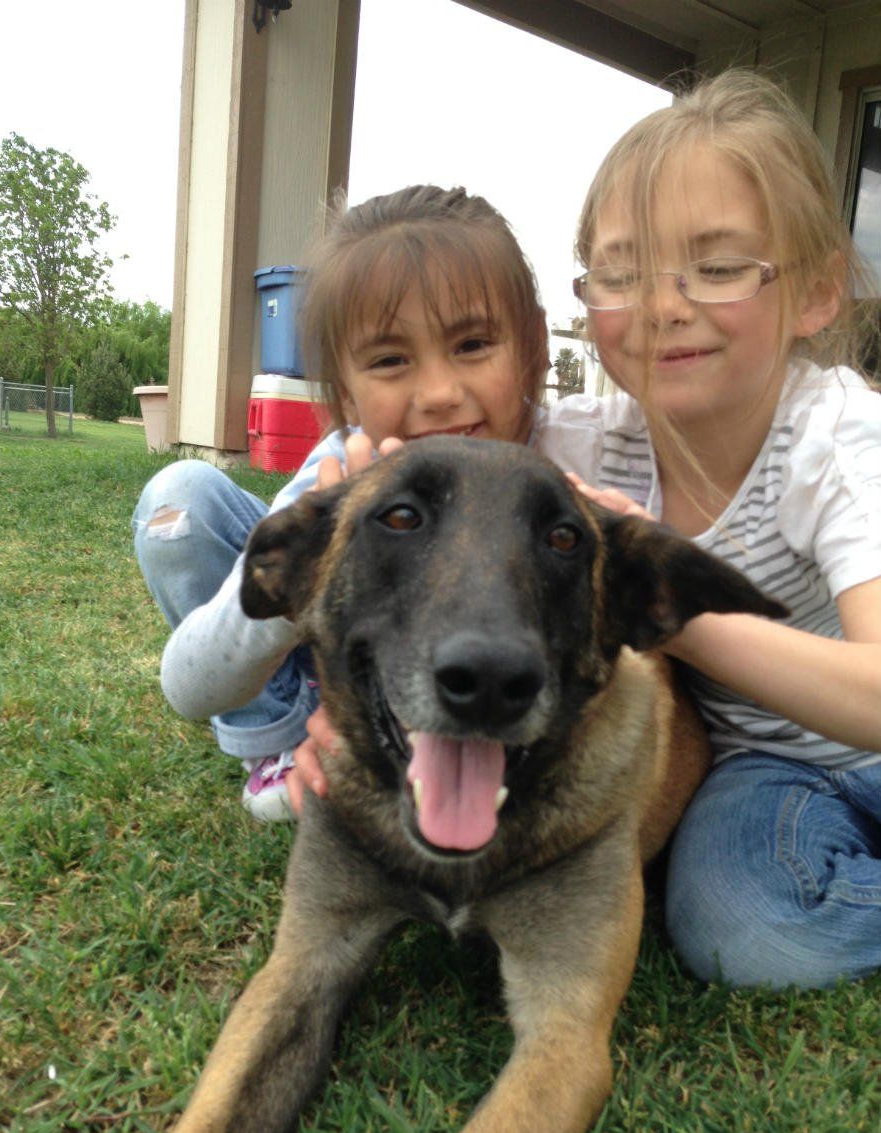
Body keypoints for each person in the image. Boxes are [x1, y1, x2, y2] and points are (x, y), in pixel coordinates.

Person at [295, 69, 881, 992]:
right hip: (762, 769)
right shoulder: (580, 446)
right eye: (622, 273)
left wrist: (674, 608)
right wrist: (341, 712)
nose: (663, 305)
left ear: (813, 294)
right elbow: (419, 499)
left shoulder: (838, 442)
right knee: (742, 933)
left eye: (718, 267)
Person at [132, 183, 548, 822]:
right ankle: (275, 738)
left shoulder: (568, 464)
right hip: (314, 650)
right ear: (346, 396)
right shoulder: (345, 474)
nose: (438, 392)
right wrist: (307, 572)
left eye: (471, 345)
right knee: (177, 502)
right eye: (389, 359)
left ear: (534, 350)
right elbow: (189, 687)